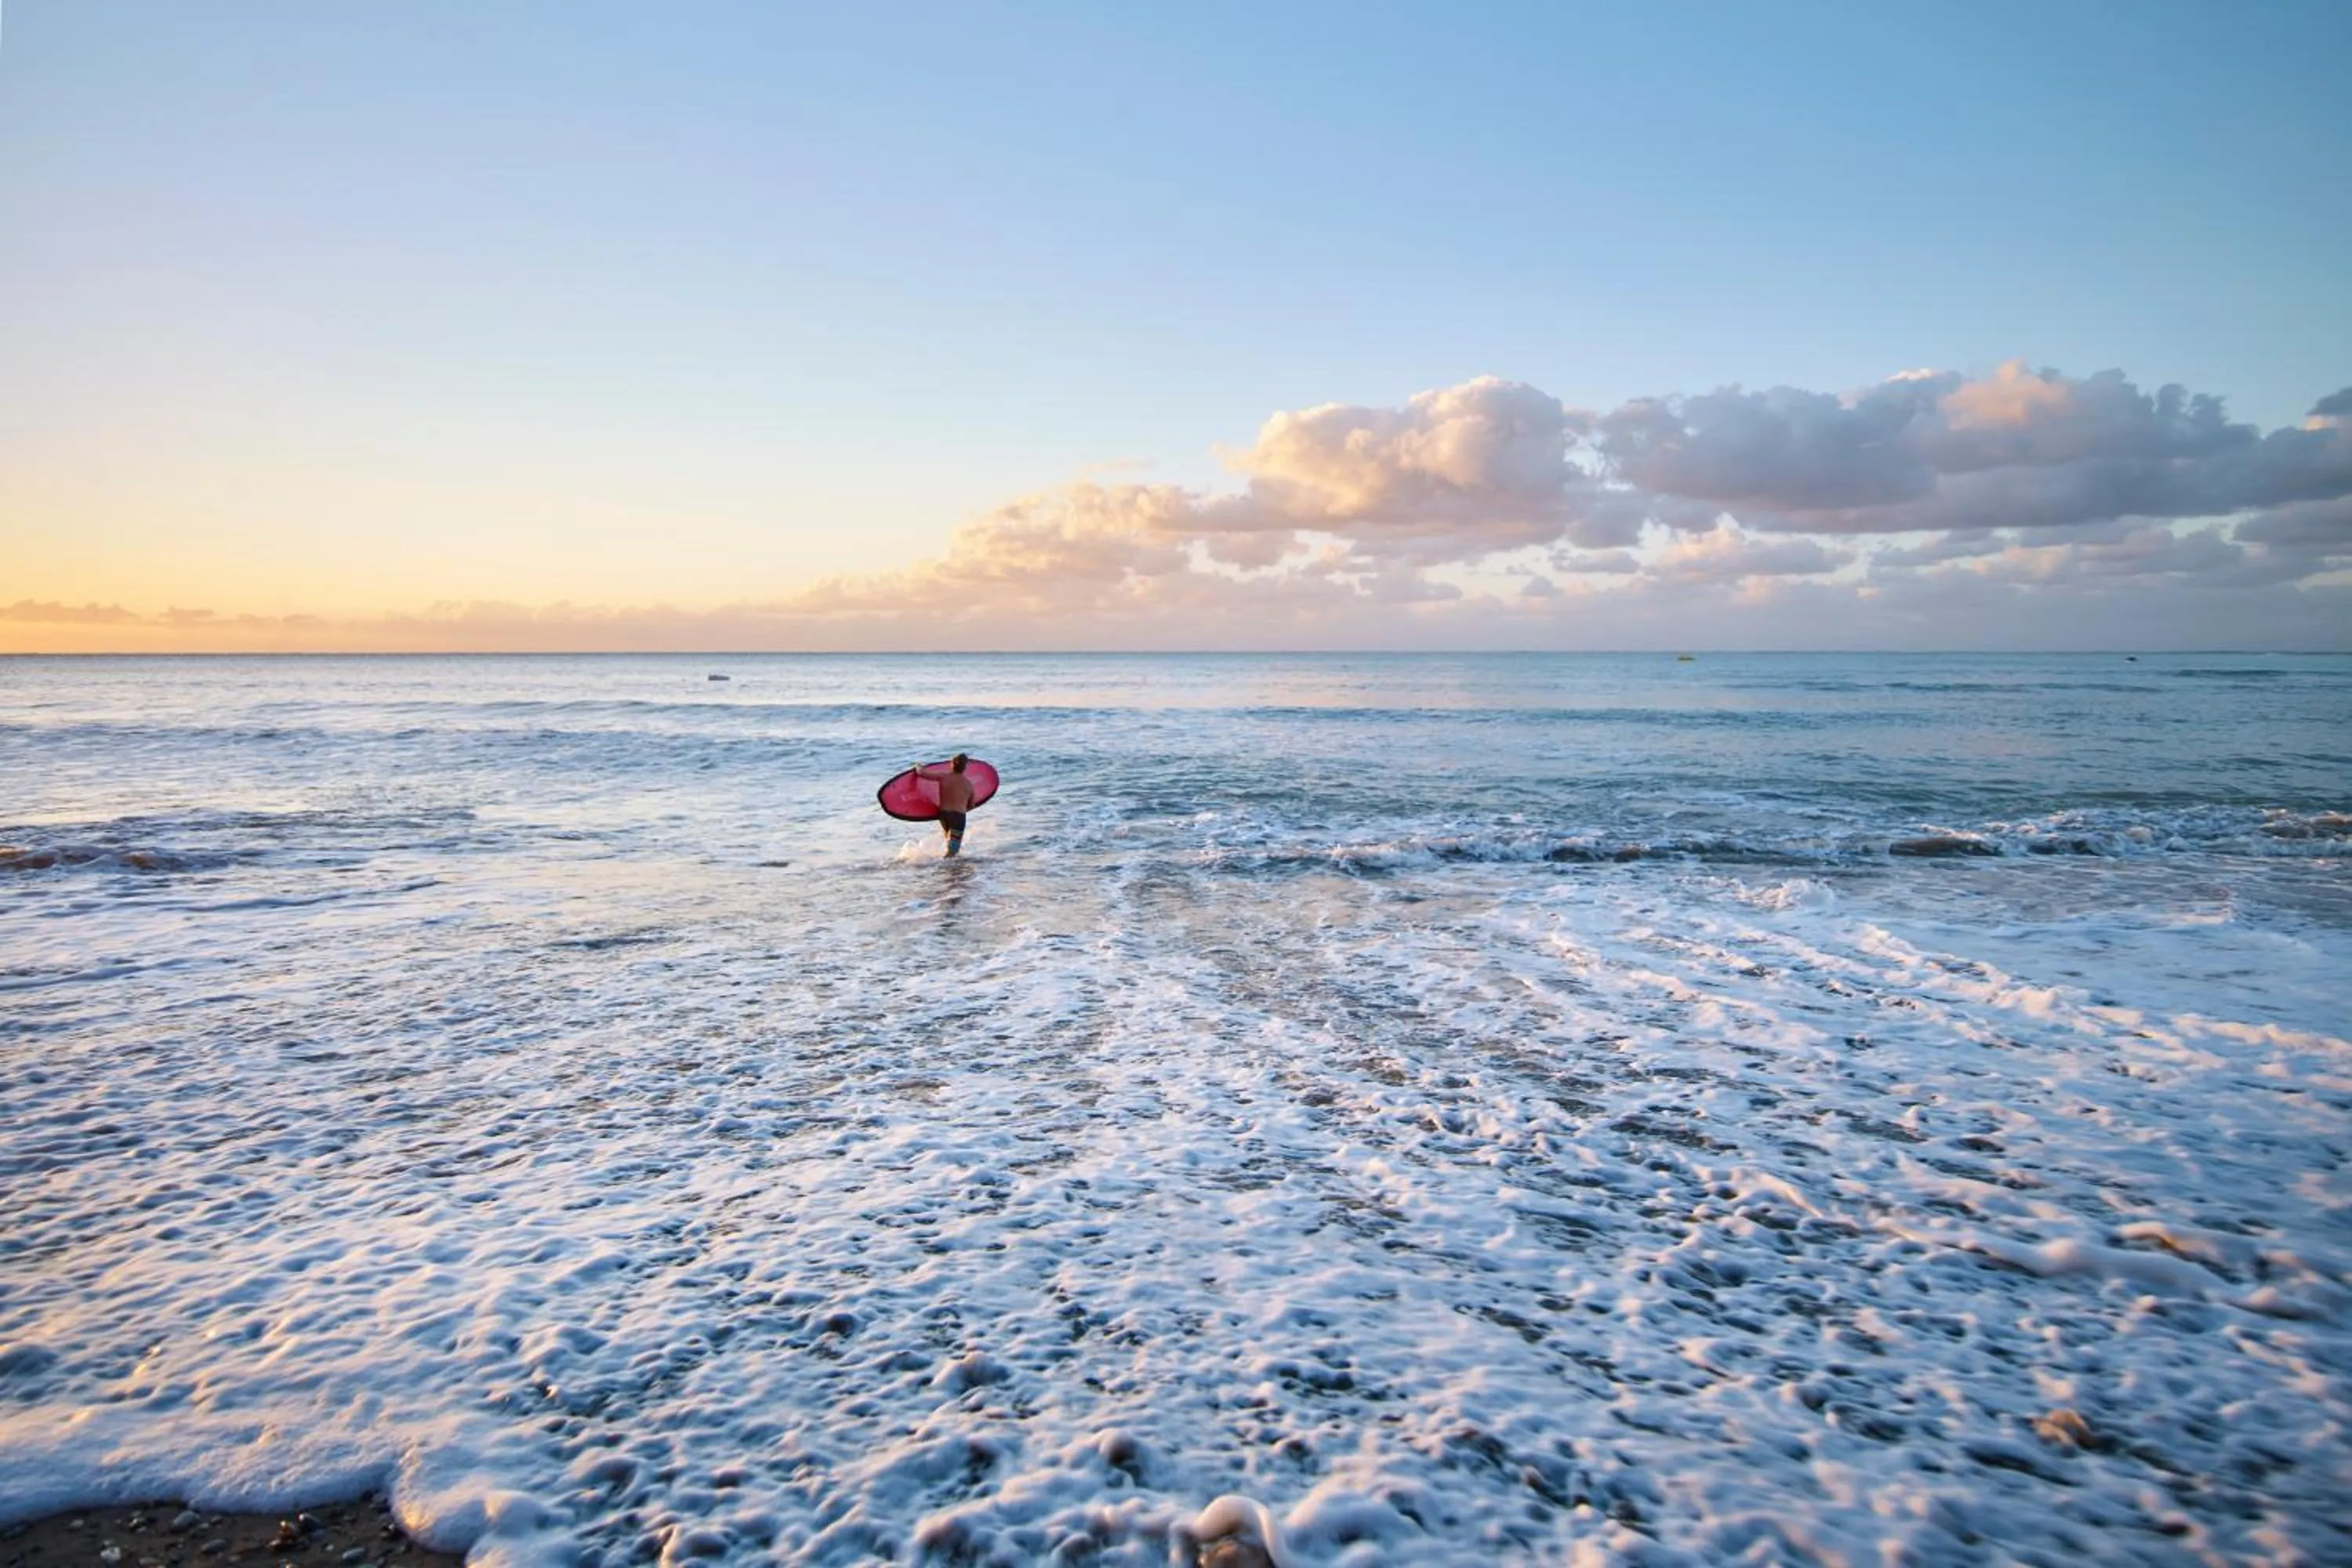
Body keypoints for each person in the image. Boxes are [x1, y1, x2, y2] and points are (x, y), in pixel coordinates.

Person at [913, 753, 975, 857]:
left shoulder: (943, 776)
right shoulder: (968, 784)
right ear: (965, 767)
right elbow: (972, 805)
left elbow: (922, 773)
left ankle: (946, 867)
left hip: (944, 815)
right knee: (953, 850)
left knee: (948, 842)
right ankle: (944, 867)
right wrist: (962, 810)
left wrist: (918, 766)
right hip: (958, 817)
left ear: (952, 764)